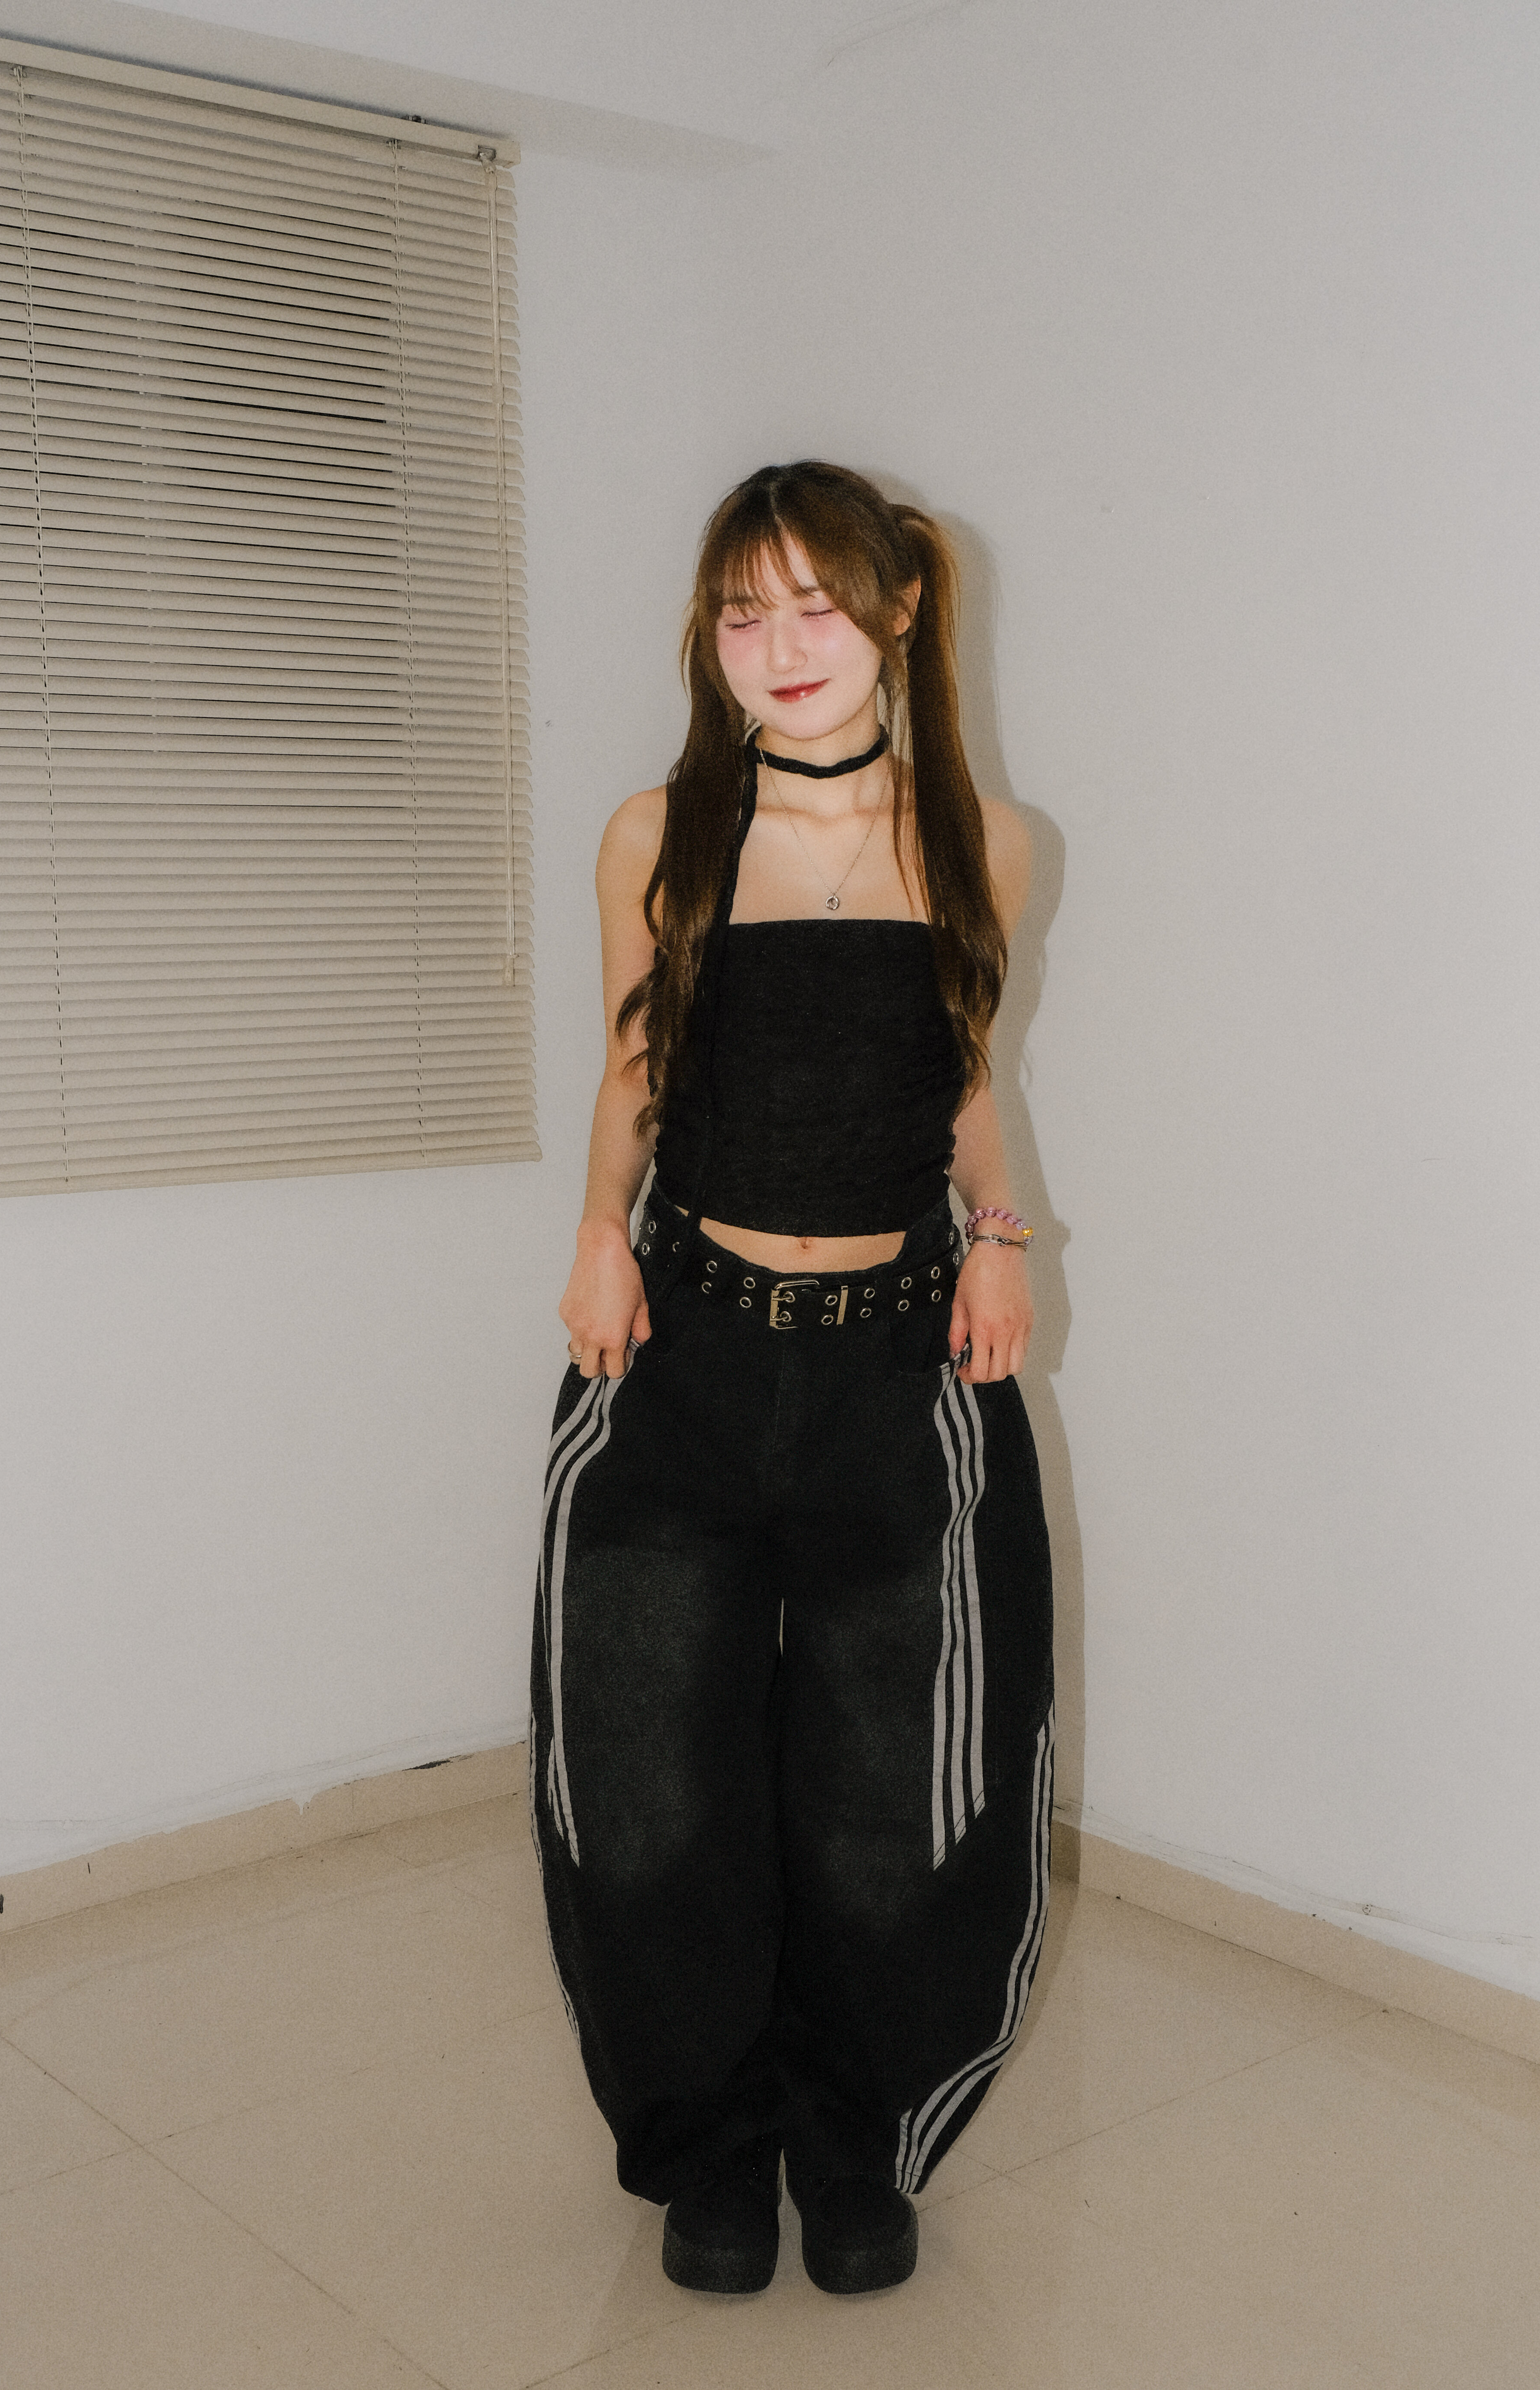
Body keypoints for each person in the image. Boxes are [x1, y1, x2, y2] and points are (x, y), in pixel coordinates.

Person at [531, 461, 1054, 2298]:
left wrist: (1002, 1235)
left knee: (885, 1790)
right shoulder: (654, 831)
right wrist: (595, 1231)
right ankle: (708, 2144)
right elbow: (632, 1068)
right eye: (742, 612)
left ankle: (852, 2143)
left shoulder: (983, 840)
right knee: (650, 1778)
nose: (779, 645)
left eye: (815, 604)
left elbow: (964, 1074)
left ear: (898, 611)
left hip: (900, 1367)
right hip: (677, 1355)